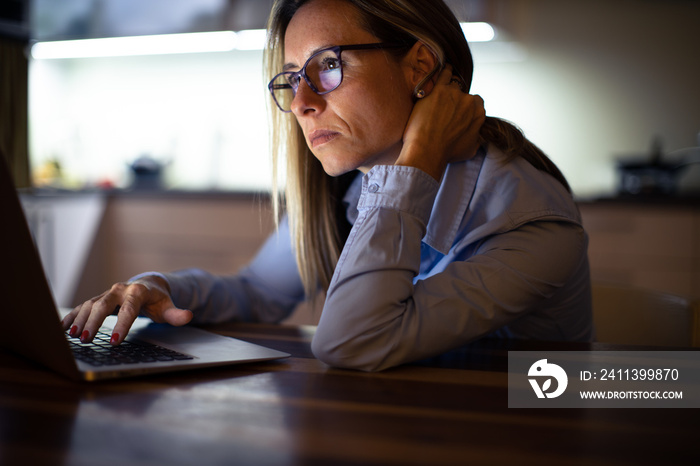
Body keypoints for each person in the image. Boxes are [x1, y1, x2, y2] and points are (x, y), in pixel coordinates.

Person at [63, 0, 593, 372]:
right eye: (293, 78)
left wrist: (418, 163)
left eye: (330, 65)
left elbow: (353, 342)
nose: (301, 102)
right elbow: (261, 292)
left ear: (421, 67)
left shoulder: (533, 223)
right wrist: (162, 288)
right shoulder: (356, 188)